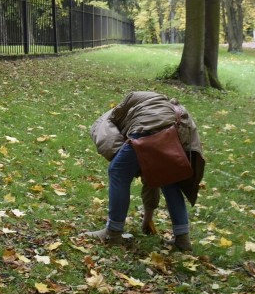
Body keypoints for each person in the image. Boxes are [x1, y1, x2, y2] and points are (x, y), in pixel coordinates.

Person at [86, 91, 205, 251]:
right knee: (168, 180)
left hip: (145, 130)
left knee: (117, 172)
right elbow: (152, 178)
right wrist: (148, 218)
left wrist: (124, 160)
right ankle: (183, 239)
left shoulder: (108, 121)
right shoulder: (163, 104)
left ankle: (112, 233)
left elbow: (110, 141)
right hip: (175, 133)